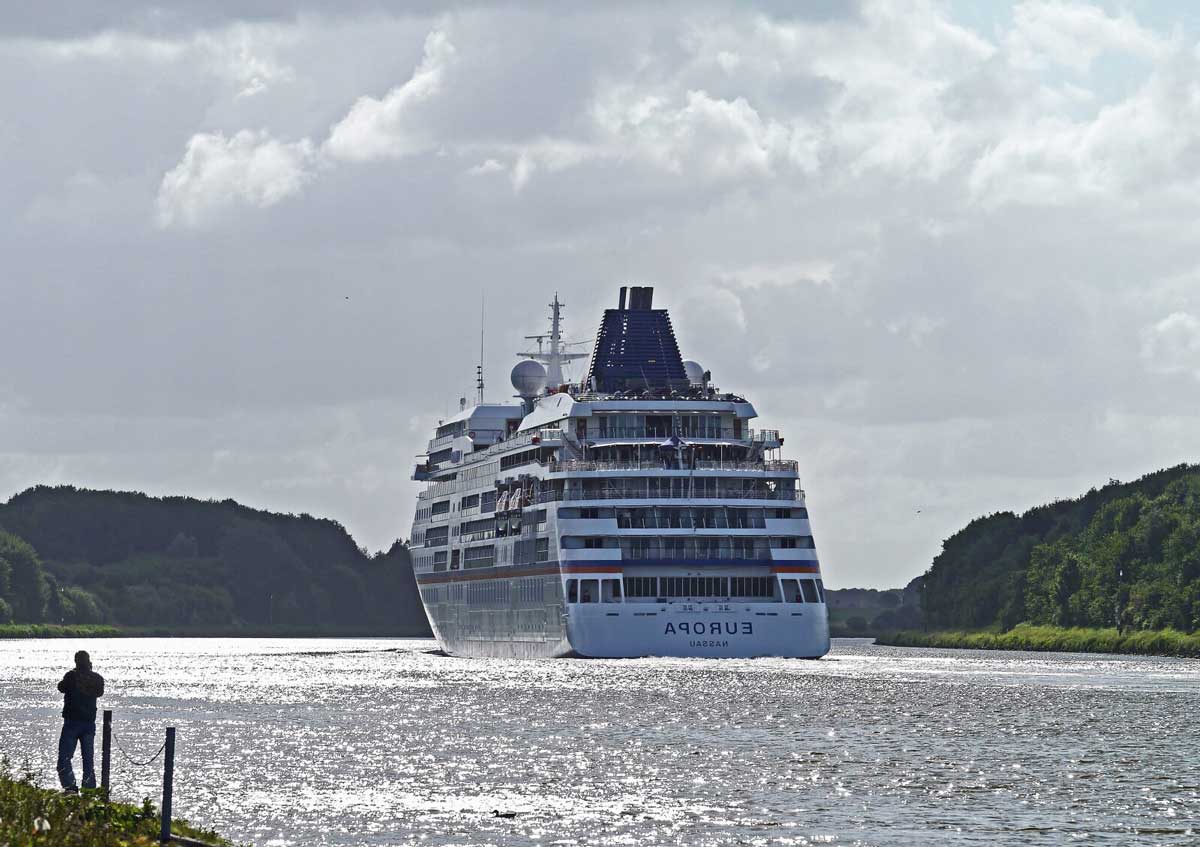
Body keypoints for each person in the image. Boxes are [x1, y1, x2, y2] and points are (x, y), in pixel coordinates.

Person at [56, 650, 105, 794]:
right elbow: (99, 692)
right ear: (89, 661)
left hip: (71, 722)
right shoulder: (97, 678)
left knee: (64, 758)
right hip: (89, 724)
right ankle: (89, 790)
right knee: (88, 761)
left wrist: (75, 672)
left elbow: (61, 687)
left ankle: (70, 787)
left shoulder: (71, 676)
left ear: (76, 661)